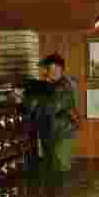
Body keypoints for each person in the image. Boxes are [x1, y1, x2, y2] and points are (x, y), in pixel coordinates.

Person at [22, 54, 79, 185]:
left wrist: (37, 92)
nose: (47, 72)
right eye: (46, 69)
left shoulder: (67, 84)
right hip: (48, 130)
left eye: (51, 69)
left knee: (60, 167)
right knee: (50, 166)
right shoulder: (49, 86)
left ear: (60, 69)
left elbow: (52, 106)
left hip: (62, 131)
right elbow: (35, 106)